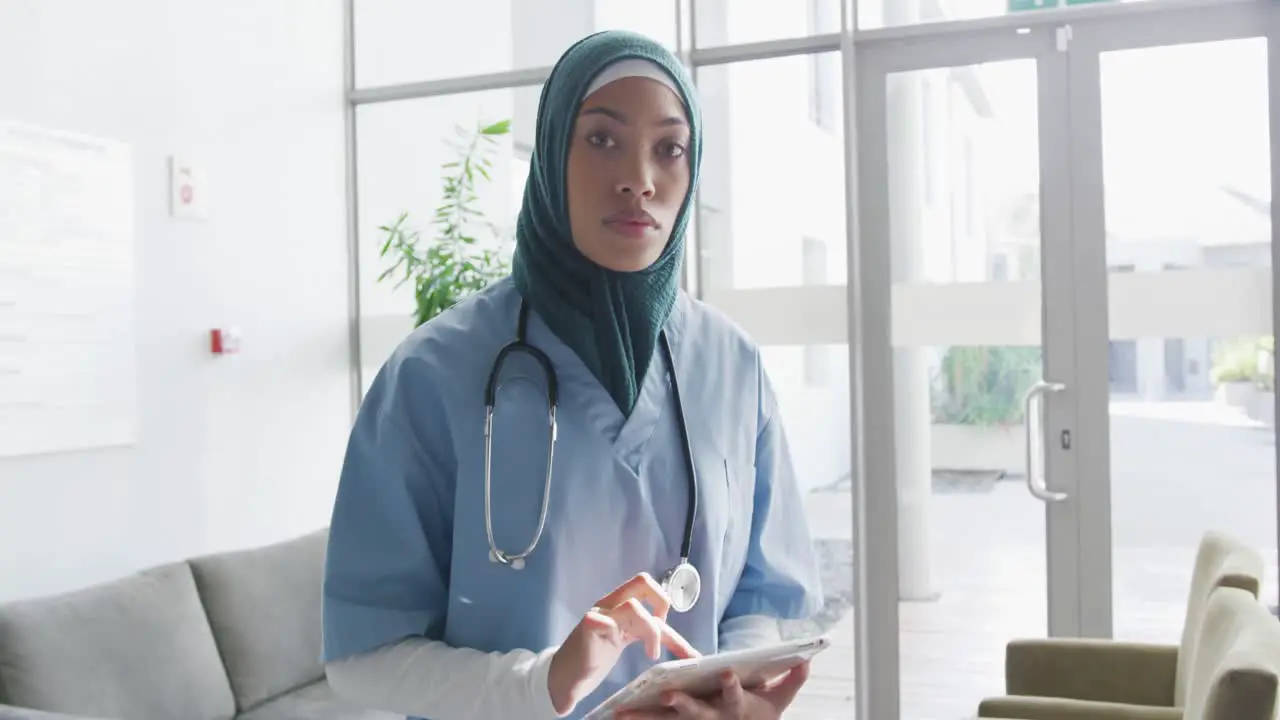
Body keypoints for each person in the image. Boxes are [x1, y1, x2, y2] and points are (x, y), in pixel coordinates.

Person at [321, 29, 824, 720]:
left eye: (669, 149)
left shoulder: (729, 363)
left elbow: (765, 600)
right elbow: (361, 658)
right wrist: (539, 686)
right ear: (552, 152)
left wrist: (742, 694)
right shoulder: (432, 374)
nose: (639, 178)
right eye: (602, 139)